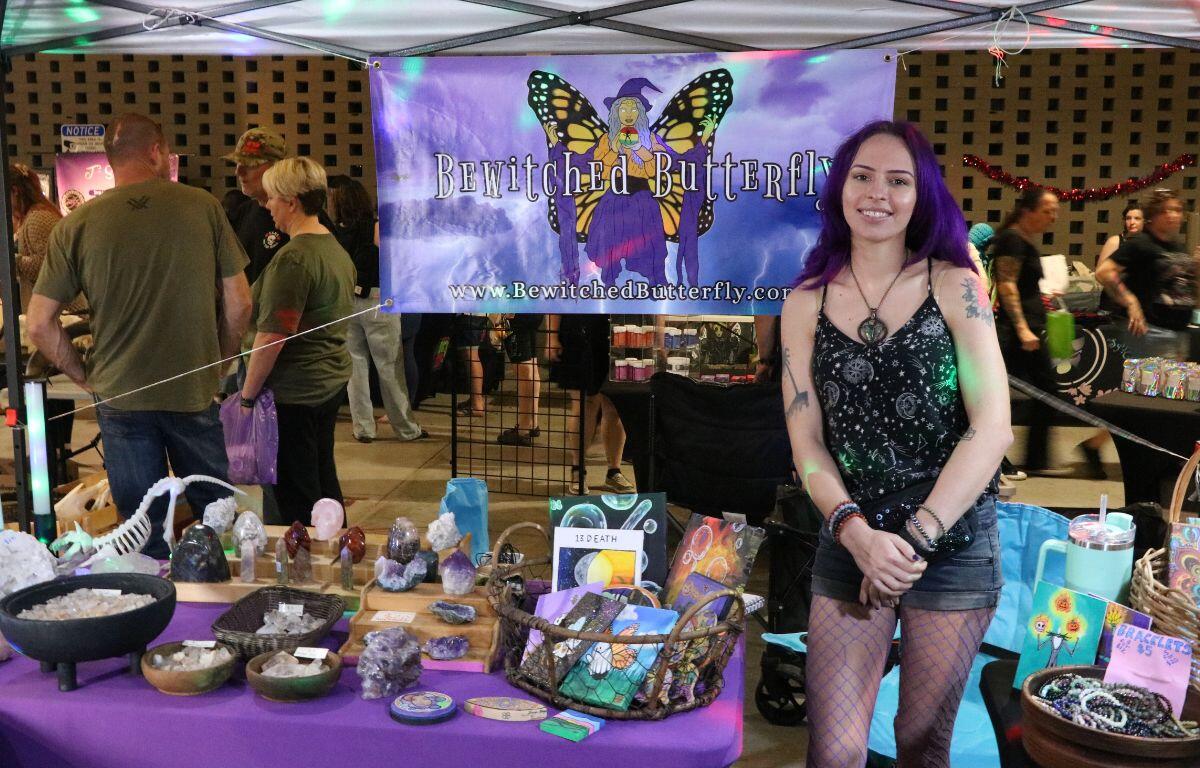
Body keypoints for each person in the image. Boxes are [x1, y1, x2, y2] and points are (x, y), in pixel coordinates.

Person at [781, 120, 1010, 768]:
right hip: (851, 537)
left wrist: (914, 540)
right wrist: (856, 535)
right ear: (839, 188)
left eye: (898, 179)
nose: (877, 192)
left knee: (919, 740)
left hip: (953, 544)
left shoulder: (956, 283)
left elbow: (992, 426)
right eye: (862, 175)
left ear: (921, 194)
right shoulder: (805, 301)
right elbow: (806, 441)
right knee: (836, 749)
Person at [27, 113, 252, 558]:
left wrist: (82, 374)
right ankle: (217, 608)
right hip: (192, 389)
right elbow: (241, 303)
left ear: (110, 159)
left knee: (138, 531)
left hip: (120, 394)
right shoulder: (202, 206)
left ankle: (151, 614)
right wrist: (220, 362)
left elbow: (38, 323)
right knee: (217, 519)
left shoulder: (76, 224)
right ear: (156, 151)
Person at [239, 158, 356, 525]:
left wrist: (246, 395)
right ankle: (335, 559)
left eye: (271, 197)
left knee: (296, 499)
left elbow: (273, 336)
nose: (266, 205)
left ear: (291, 201)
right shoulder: (332, 248)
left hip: (294, 394)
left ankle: (304, 574)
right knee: (321, 483)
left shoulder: (295, 259)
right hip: (323, 385)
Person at [326, 174, 426, 444]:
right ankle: (405, 428)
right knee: (390, 366)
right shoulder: (375, 226)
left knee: (355, 369)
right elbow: (394, 260)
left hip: (346, 302)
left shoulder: (334, 231)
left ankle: (363, 428)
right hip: (379, 300)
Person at [993, 187, 1066, 476]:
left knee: (1042, 392)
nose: (1053, 217)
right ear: (1028, 211)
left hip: (1027, 330)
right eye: (1047, 210)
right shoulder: (1012, 239)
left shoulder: (1022, 239)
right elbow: (1006, 284)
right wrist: (1023, 329)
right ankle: (1008, 460)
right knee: (1031, 393)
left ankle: (1035, 458)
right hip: (1015, 333)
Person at [1096, 189, 1198, 359]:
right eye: (1165, 210)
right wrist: (1130, 301)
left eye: (1177, 210)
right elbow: (1104, 272)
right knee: (1148, 385)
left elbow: (1189, 292)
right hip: (1150, 332)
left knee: (1173, 385)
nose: (1172, 215)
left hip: (1179, 333)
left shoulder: (1178, 247)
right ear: (1153, 215)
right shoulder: (1141, 243)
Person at [548, 314, 635, 493]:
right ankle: (578, 470)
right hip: (580, 332)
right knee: (585, 402)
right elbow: (557, 296)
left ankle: (614, 471)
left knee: (615, 405)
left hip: (619, 329)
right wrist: (552, 335)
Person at [9, 163, 80, 313]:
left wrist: (11, 260)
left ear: (14, 191)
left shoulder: (37, 218)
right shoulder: (34, 215)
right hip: (57, 311)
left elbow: (46, 265)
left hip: (63, 313)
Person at [223, 127, 289, 284]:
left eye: (249, 164)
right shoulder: (242, 213)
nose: (238, 171)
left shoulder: (301, 217)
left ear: (276, 167)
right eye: (238, 163)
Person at [497, 314, 544, 446]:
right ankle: (532, 423)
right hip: (533, 311)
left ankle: (523, 430)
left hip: (515, 312)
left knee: (523, 372)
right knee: (532, 366)